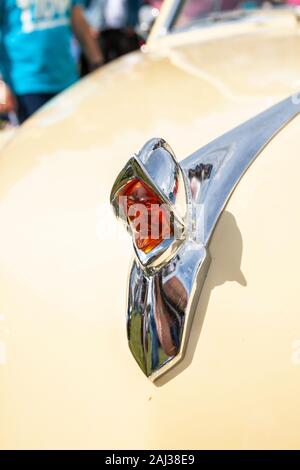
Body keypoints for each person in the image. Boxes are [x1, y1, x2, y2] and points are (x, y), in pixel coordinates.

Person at [0, 0, 103, 124]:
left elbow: (77, 20)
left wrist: (97, 61)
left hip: (67, 79)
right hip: (26, 85)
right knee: (37, 141)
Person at [82, 0, 142, 70]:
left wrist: (132, 23)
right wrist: (90, 25)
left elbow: (135, 4)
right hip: (100, 31)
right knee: (99, 66)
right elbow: (84, 6)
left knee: (129, 64)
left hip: (125, 31)